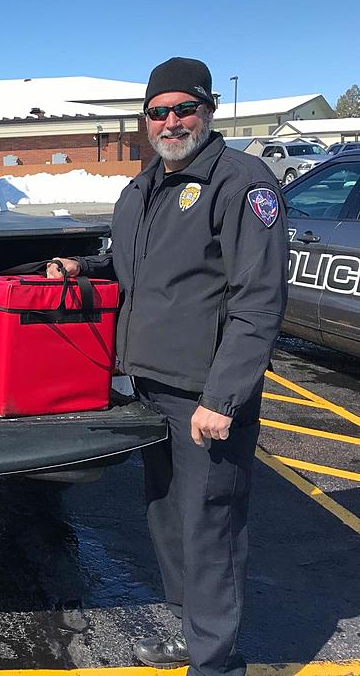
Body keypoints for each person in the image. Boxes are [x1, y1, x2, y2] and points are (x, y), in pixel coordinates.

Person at [47, 58, 288, 676]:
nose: (172, 121)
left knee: (210, 529)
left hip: (206, 394)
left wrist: (224, 397)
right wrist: (86, 269)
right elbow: (133, 265)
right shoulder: (145, 184)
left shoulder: (240, 183)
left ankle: (217, 664)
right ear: (145, 120)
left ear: (208, 111)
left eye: (185, 109)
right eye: (159, 111)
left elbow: (257, 300)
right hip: (150, 384)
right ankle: (193, 636)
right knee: (168, 520)